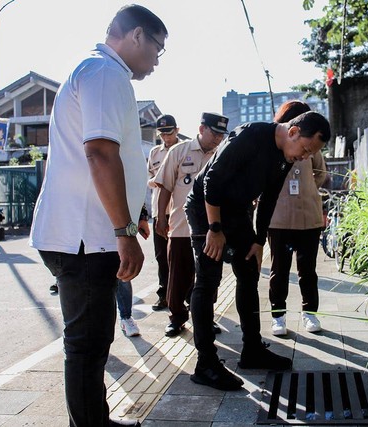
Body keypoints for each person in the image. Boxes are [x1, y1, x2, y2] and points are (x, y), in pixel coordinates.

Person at [28, 5, 167, 426]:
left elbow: (115, 156)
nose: (158, 60)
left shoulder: (100, 73)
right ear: (136, 36)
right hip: (86, 237)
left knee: (90, 344)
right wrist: (123, 231)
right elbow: (100, 153)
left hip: (86, 232)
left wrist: (135, 213)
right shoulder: (105, 74)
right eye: (158, 48)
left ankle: (91, 422)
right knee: (87, 347)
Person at [184, 111, 331, 391]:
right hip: (207, 210)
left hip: (238, 212)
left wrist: (258, 240)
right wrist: (214, 230)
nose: (304, 157)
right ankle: (206, 363)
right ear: (293, 132)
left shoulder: (287, 156)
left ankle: (252, 349)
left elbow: (270, 197)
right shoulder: (250, 135)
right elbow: (210, 182)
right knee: (208, 281)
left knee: (249, 273)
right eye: (305, 149)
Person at [154, 112, 228, 337]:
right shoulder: (179, 151)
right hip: (180, 227)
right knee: (178, 276)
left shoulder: (223, 155)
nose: (217, 138)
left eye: (220, 135)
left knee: (209, 279)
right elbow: (165, 186)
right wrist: (160, 216)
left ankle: (205, 318)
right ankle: (176, 318)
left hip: (210, 231)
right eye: (214, 133)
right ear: (201, 128)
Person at [267, 101, 327, 336]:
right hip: (279, 219)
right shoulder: (273, 145)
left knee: (308, 270)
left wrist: (308, 189)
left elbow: (320, 174)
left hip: (308, 217)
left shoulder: (314, 147)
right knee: (278, 271)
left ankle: (309, 312)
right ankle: (278, 316)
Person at [147, 114, 181, 311]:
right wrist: (157, 181)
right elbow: (149, 178)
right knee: (161, 257)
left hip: (178, 211)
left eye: (169, 133)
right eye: (162, 134)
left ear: (176, 130)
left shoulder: (185, 149)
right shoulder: (154, 152)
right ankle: (164, 295)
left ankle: (184, 294)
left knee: (180, 255)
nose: (166, 138)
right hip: (160, 211)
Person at [117, 208, 150, 338]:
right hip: (87, 229)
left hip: (117, 228)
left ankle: (126, 318)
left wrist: (142, 217)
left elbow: (132, 189)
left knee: (123, 273)